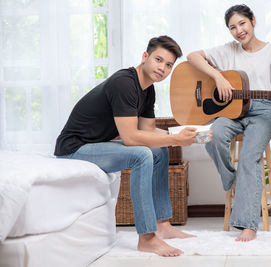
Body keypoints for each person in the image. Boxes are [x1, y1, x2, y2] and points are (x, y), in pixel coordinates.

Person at [55, 35, 209, 257]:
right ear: (145, 57)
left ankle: (163, 224)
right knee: (142, 155)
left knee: (159, 152)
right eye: (158, 60)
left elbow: (147, 131)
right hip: (74, 149)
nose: (162, 68)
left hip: (97, 144)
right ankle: (147, 238)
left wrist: (187, 134)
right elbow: (130, 138)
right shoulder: (124, 82)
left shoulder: (148, 90)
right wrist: (176, 139)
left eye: (168, 65)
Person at [187, 4, 271, 242]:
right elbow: (192, 56)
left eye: (242, 24)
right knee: (210, 136)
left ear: (253, 21)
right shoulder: (228, 50)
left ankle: (248, 225)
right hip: (232, 111)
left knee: (248, 158)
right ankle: (232, 180)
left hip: (262, 112)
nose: (238, 31)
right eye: (232, 27)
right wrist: (217, 76)